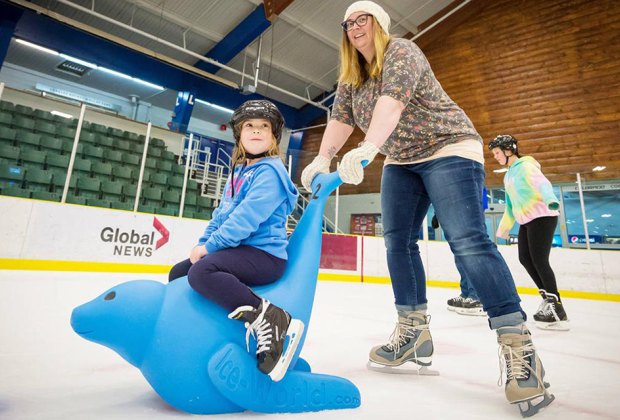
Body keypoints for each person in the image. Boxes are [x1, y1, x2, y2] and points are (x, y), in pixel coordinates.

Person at [300, 2, 554, 415]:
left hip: (448, 147)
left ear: (379, 24)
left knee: (466, 240)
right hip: (402, 159)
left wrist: (369, 147)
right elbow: (341, 119)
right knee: (397, 242)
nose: (353, 27)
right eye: (347, 23)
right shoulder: (350, 76)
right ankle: (414, 332)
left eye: (362, 19)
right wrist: (322, 158)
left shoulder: (402, 51)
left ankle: (518, 347)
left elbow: (393, 103)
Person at [169, 100, 303, 382]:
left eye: (263, 127)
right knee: (179, 273)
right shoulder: (239, 172)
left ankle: (270, 318)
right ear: (239, 135)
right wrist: (203, 244)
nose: (256, 131)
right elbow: (221, 215)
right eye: (249, 126)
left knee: (203, 272)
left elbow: (246, 218)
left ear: (273, 135)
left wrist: (211, 248)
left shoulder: (271, 172)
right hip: (239, 250)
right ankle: (196, 332)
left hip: (264, 257)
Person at [489, 134, 569, 331]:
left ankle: (556, 308)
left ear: (509, 150)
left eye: (498, 153)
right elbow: (510, 206)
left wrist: (551, 199)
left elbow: (543, 184)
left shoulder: (526, 166)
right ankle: (547, 300)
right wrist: (504, 227)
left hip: (543, 215)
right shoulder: (508, 175)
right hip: (526, 220)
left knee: (540, 260)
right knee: (525, 258)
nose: (496, 157)